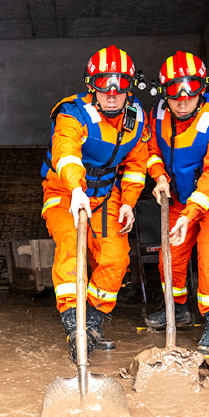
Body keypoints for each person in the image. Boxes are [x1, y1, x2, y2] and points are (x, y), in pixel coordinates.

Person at [41, 44, 149, 361]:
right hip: (65, 192)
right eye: (105, 84)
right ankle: (74, 327)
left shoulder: (136, 117)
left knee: (116, 259)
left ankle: (93, 323)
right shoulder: (72, 113)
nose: (112, 93)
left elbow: (135, 165)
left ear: (130, 86)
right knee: (71, 253)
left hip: (106, 197)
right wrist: (76, 189)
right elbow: (66, 152)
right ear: (92, 86)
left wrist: (128, 202)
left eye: (121, 85)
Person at [144, 51, 209, 354]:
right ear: (164, 92)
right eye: (174, 91)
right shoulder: (158, 114)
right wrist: (159, 176)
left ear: (202, 88)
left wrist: (191, 215)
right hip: (179, 198)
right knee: (168, 259)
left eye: (190, 89)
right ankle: (179, 309)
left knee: (208, 253)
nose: (183, 99)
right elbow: (151, 149)